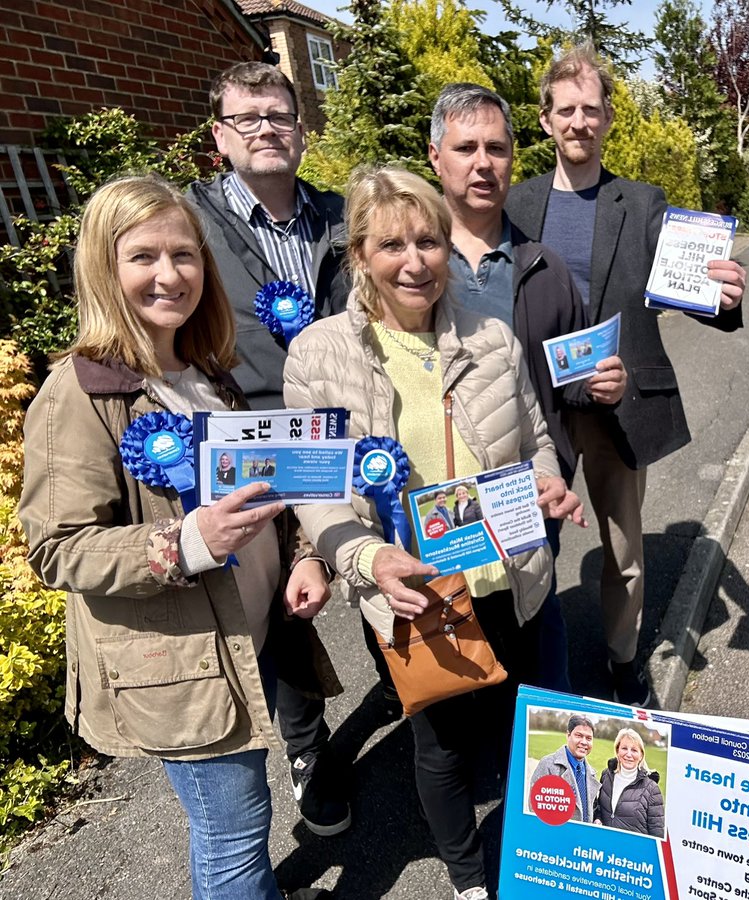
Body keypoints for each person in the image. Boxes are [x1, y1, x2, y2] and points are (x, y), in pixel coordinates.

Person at [18, 174, 340, 900]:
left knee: (243, 824)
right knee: (230, 833)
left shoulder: (205, 374)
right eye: (143, 257)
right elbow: (57, 548)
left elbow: (269, 498)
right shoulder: (78, 393)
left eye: (185, 255)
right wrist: (184, 540)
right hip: (182, 665)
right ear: (104, 266)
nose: (170, 275)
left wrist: (304, 555)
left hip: (246, 638)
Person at [282, 165, 584, 900]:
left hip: (512, 575)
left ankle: (553, 852)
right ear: (359, 255)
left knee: (534, 723)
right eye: (392, 245)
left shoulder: (494, 338)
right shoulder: (318, 355)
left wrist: (548, 479)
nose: (414, 261)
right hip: (417, 590)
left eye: (428, 241)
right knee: (441, 744)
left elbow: (538, 436)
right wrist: (366, 555)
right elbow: (313, 492)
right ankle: (470, 877)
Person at [506, 45, 747, 704]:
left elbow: (689, 284)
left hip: (617, 402)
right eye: (566, 110)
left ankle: (621, 659)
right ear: (546, 119)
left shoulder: (642, 204)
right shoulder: (516, 206)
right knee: (528, 545)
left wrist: (725, 297)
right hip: (540, 408)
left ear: (608, 119)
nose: (579, 121)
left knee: (623, 548)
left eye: (591, 109)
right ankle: (533, 669)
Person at [187, 60, 352, 836]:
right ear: (219, 135)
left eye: (278, 115)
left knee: (351, 567)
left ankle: (418, 700)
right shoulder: (191, 222)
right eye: (246, 118)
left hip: (340, 430)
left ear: (301, 127)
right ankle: (305, 752)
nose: (265, 130)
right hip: (247, 443)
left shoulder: (338, 216)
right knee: (275, 611)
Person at [429, 81, 628, 692]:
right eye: (465, 148)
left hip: (528, 490)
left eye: (496, 148)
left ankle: (541, 761)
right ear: (436, 157)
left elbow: (566, 385)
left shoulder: (544, 267)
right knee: (452, 651)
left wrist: (600, 386)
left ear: (515, 157)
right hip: (436, 495)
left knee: (533, 626)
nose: (482, 164)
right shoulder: (411, 264)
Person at [593, 727, 663, 837]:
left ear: (641, 755)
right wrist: (597, 818)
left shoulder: (651, 789)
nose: (629, 754)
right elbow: (600, 808)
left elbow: (657, 832)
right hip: (605, 847)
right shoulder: (606, 775)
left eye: (634, 750)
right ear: (617, 751)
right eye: (624, 748)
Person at [530, 715, 600, 824]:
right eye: (579, 735)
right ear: (568, 735)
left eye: (589, 738)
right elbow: (535, 808)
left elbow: (592, 808)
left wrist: (596, 819)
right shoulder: (548, 765)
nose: (584, 742)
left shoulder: (592, 773)